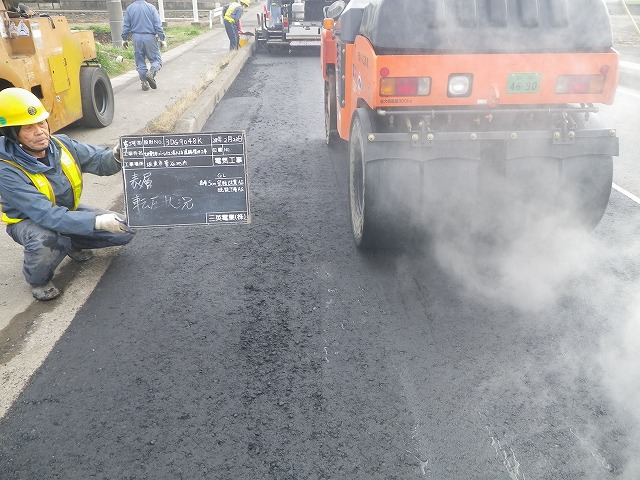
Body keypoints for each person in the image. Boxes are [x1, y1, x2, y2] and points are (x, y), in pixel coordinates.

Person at [0, 88, 135, 301]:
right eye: (28, 127)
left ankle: (73, 242)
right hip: (28, 222)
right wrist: (96, 222)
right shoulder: (5, 169)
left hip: (65, 212)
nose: (40, 132)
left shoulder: (62, 144)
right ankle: (38, 280)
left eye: (42, 123)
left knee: (124, 231)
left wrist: (116, 156)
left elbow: (99, 160)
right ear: (12, 134)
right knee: (49, 239)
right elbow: (46, 216)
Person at [121, 0, 167, 91]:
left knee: (140, 60)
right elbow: (158, 25)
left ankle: (144, 82)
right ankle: (151, 73)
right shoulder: (151, 8)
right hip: (149, 36)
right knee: (156, 60)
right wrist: (162, 38)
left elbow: (126, 26)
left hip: (136, 37)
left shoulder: (130, 8)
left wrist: (124, 39)